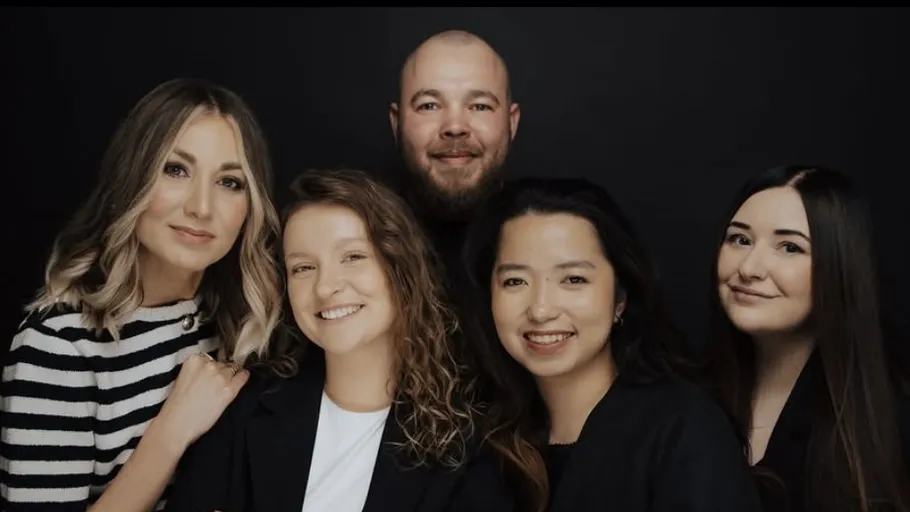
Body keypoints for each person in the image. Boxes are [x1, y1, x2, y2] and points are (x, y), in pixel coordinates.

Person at [0, 78, 283, 511]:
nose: (201, 207)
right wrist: (170, 433)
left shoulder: (244, 321)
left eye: (230, 182)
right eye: (175, 169)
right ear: (132, 177)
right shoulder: (59, 344)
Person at [164, 168, 512, 512]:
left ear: (401, 268)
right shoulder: (243, 408)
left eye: (353, 257)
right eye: (303, 267)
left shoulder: (472, 440)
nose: (325, 286)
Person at [461, 176, 763, 512]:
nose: (541, 309)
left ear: (620, 298)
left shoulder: (682, 429)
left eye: (573, 279)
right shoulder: (485, 441)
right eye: (515, 281)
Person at [703, 164, 910, 512]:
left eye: (789, 247)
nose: (750, 268)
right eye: (740, 239)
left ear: (839, 268)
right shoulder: (689, 396)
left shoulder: (890, 420)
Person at [387, 29, 520, 262]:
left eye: (480, 106)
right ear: (396, 123)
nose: (455, 126)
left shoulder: (558, 247)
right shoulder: (357, 246)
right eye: (429, 106)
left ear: (512, 123)